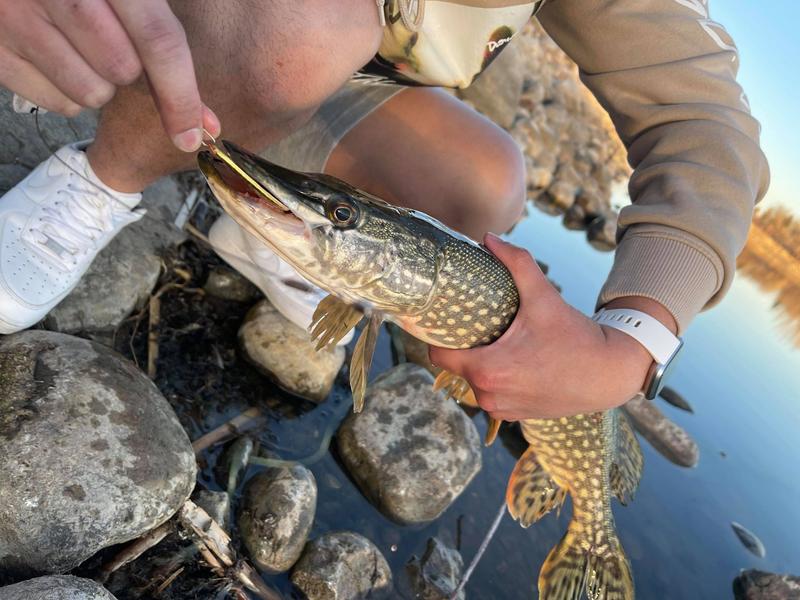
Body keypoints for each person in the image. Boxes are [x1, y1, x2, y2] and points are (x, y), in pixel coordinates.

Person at [0, 0, 768, 420]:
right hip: (226, 20)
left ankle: (276, 233)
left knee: (487, 187)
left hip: (328, 75)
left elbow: (708, 125)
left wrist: (634, 345)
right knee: (306, 31)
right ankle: (105, 177)